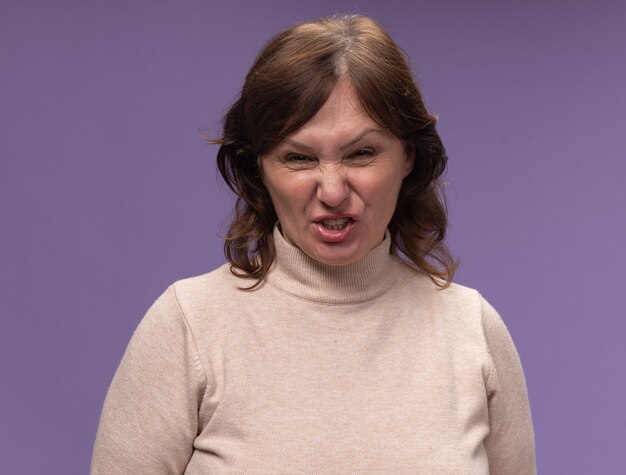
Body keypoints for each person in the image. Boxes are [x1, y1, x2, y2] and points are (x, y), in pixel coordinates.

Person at [91, 14, 535, 474]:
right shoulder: (188, 327)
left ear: (408, 156)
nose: (333, 190)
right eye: (298, 157)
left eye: (361, 153)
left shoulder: (472, 331)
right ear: (257, 167)